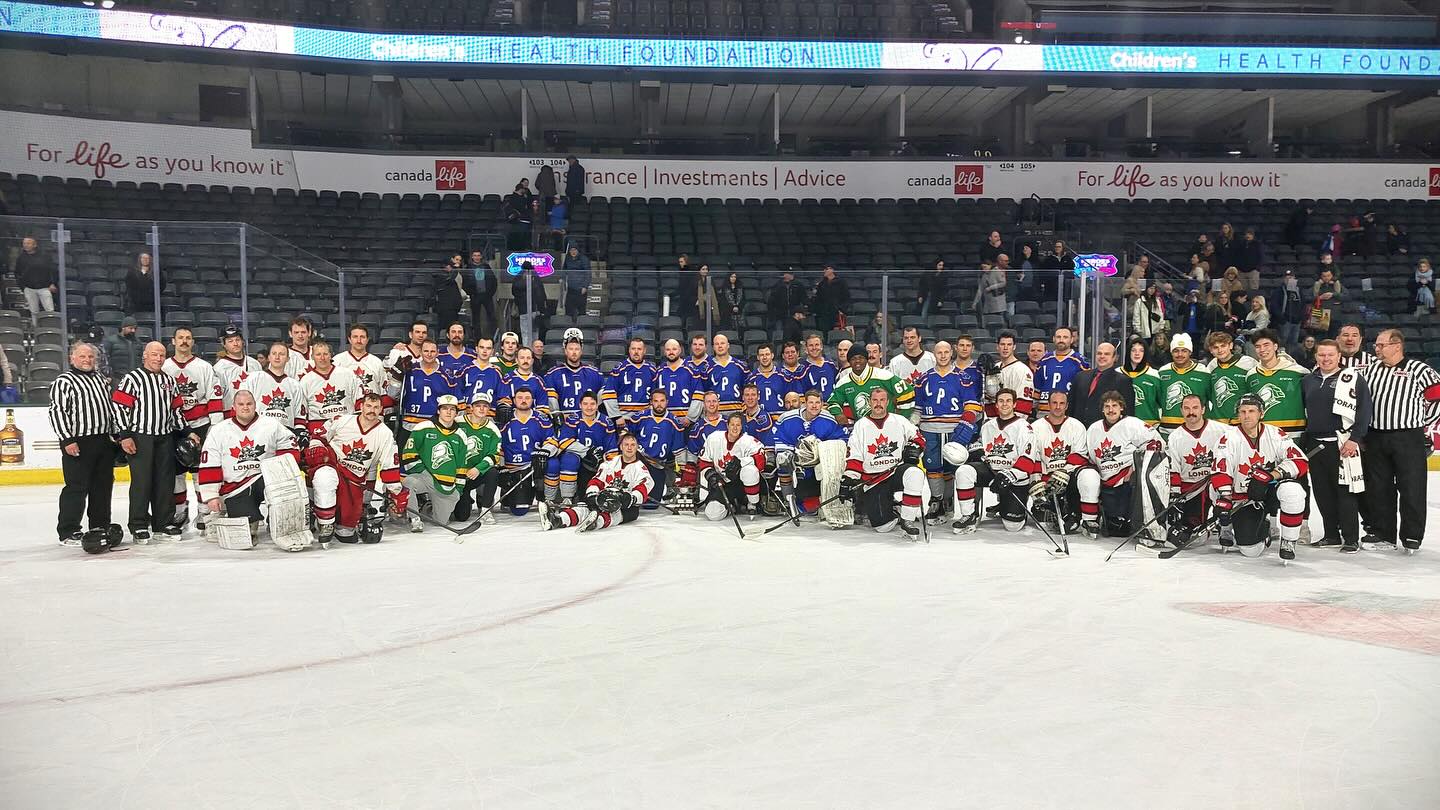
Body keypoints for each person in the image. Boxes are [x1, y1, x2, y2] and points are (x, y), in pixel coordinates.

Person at [1360, 328, 1440, 552]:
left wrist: (1422, 422)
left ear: (1397, 346)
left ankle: (1412, 536)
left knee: (1411, 488)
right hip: (1376, 436)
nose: (1376, 349)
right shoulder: (1370, 370)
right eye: (1376, 345)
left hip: (1408, 437)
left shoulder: (1419, 369)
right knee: (1379, 488)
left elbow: (1437, 397)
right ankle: (1383, 534)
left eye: (1381, 345)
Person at [1214, 395, 1310, 562]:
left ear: (1261, 413)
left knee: (1293, 491)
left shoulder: (1276, 434)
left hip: (1271, 491)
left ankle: (1288, 541)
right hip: (1245, 497)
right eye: (1242, 412)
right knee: (1250, 550)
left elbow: (1300, 462)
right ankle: (1259, 527)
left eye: (1251, 411)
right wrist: (1226, 499)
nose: (1246, 416)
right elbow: (1220, 471)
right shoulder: (1228, 438)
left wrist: (1271, 475)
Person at [198, 390, 300, 544]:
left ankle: (277, 521)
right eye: (241, 404)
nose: (245, 407)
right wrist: (211, 495)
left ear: (255, 405)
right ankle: (246, 519)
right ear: (233, 406)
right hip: (236, 488)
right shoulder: (219, 430)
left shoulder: (271, 425)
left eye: (249, 404)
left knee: (282, 492)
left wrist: (278, 470)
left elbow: (290, 448)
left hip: (264, 480)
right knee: (246, 528)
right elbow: (209, 462)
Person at [1301, 341, 1371, 553]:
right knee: (1322, 492)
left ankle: (1350, 537)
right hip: (1315, 445)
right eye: (1321, 355)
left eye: (1330, 355)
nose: (1326, 359)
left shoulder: (1352, 379)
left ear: (1339, 355)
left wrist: (1355, 438)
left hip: (1343, 443)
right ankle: (1331, 534)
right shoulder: (1307, 381)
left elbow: (1364, 410)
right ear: (1316, 356)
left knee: (1345, 492)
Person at [112, 341, 185, 543]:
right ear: (145, 356)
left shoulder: (169, 381)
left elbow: (176, 410)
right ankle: (139, 524)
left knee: (165, 481)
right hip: (139, 437)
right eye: (154, 354)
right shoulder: (132, 379)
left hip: (164, 436)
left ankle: (163, 523)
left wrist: (186, 433)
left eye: (162, 355)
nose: (158, 358)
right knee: (142, 482)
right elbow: (119, 407)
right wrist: (124, 435)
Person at [309, 392, 404, 543]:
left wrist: (396, 493)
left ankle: (341, 524)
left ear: (381, 410)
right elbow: (318, 436)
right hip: (334, 467)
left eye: (376, 407)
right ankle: (325, 523)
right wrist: (317, 447)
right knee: (324, 476)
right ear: (361, 406)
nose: (371, 410)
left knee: (346, 536)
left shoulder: (385, 434)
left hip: (356, 483)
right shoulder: (342, 420)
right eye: (368, 406)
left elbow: (389, 467)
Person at [50, 343, 119, 550]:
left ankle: (99, 526)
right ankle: (68, 530)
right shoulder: (64, 381)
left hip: (103, 441)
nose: (87, 360)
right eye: (82, 356)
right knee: (77, 487)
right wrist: (67, 439)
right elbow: (58, 412)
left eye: (90, 356)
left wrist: (115, 433)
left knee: (102, 486)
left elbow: (110, 409)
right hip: (78, 441)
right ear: (72, 358)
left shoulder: (99, 379)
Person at [839, 387, 927, 538]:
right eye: (875, 400)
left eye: (882, 400)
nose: (878, 404)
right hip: (874, 479)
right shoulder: (861, 426)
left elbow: (919, 439)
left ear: (887, 402)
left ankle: (908, 520)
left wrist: (914, 448)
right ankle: (895, 509)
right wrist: (848, 479)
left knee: (915, 473)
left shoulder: (899, 421)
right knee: (883, 527)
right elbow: (854, 456)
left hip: (896, 471)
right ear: (869, 402)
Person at [947, 388, 1037, 534]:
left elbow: (1028, 460)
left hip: (1013, 475)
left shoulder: (1024, 427)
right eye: (1001, 401)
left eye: (1008, 401)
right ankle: (968, 515)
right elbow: (979, 444)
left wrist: (1010, 475)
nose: (1004, 404)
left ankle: (1008, 507)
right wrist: (976, 450)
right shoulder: (988, 425)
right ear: (996, 405)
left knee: (1013, 526)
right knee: (964, 471)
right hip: (990, 470)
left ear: (1015, 404)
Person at [1076, 390, 1162, 538]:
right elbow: (1090, 458)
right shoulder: (1093, 429)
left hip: (1128, 480)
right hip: (1105, 482)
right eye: (1107, 406)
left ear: (1121, 407)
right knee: (1115, 529)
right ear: (1102, 409)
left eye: (1114, 405)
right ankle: (1090, 519)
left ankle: (1148, 525)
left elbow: (1157, 443)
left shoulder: (1132, 424)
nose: (1111, 409)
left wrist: (1137, 468)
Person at [163, 325, 223, 532]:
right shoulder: (164, 367)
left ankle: (203, 510)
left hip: (201, 425)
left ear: (193, 342)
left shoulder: (204, 367)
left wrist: (214, 427)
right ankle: (180, 510)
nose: (184, 341)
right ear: (173, 341)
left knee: (200, 471)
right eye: (180, 338)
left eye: (188, 338)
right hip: (173, 428)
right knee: (176, 474)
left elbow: (214, 397)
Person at [540, 432, 654, 533]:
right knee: (583, 507)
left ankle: (597, 522)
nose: (629, 448)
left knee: (626, 514)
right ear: (621, 446)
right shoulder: (610, 463)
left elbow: (643, 487)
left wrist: (630, 498)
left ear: (637, 447)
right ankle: (557, 520)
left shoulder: (640, 468)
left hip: (624, 505)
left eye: (633, 445)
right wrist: (592, 494)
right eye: (626, 445)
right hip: (603, 498)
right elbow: (597, 480)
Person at [1162, 394, 1231, 547]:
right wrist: (1175, 497)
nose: (1191, 412)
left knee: (1224, 496)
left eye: (1195, 408)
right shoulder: (1175, 437)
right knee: (1193, 538)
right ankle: (1204, 525)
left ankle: (1226, 526)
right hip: (1192, 489)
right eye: (1186, 408)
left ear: (1203, 409)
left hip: (1216, 483)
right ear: (1181, 411)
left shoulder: (1221, 430)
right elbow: (1174, 469)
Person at [398, 394, 471, 532]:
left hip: (447, 485)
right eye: (445, 408)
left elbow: (461, 466)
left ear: (456, 412)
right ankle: (415, 519)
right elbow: (408, 455)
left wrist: (459, 490)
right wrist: (426, 474)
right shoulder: (423, 427)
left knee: (441, 522)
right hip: (425, 479)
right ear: (438, 410)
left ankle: (427, 507)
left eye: (452, 409)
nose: (448, 412)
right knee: (408, 483)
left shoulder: (461, 435)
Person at [1026, 391, 1088, 533]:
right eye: (1054, 403)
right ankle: (1046, 506)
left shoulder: (1076, 426)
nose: (1058, 407)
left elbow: (1081, 454)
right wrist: (1035, 480)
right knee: (1043, 522)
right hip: (1045, 478)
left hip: (1069, 477)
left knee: (1082, 478)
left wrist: (1063, 471)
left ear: (1067, 406)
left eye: (1061, 403)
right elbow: (1032, 455)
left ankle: (1073, 512)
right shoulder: (1036, 427)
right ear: (1048, 405)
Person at [543, 391, 616, 505]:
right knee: (569, 459)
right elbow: (564, 441)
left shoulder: (606, 422)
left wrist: (610, 466)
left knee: (588, 500)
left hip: (596, 462)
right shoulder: (573, 418)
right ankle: (567, 497)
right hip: (579, 459)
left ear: (597, 405)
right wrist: (587, 452)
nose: (589, 407)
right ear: (580, 405)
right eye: (585, 404)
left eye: (592, 404)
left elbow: (611, 448)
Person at [699, 412, 766, 520]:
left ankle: (752, 504)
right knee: (712, 514)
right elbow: (704, 462)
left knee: (750, 470)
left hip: (742, 486)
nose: (735, 428)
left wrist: (741, 462)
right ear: (727, 425)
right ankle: (732, 506)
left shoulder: (749, 441)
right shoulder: (713, 438)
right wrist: (711, 475)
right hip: (724, 485)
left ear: (742, 426)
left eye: (738, 425)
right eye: (732, 425)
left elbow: (761, 462)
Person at [497, 388, 552, 516]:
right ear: (514, 400)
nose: (523, 401)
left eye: (527, 398)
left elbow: (552, 440)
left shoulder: (541, 418)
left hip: (535, 467)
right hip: (514, 469)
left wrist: (544, 452)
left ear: (532, 400)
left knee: (553, 464)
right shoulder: (505, 419)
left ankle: (541, 494)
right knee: (519, 510)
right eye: (520, 398)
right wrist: (501, 466)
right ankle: (508, 492)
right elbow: (498, 445)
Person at [829, 344, 912, 426]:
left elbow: (908, 392)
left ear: (866, 359)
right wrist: (838, 414)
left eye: (861, 358)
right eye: (853, 358)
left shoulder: (884, 376)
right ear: (849, 361)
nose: (857, 361)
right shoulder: (844, 382)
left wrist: (902, 418)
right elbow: (833, 402)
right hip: (863, 429)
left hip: (889, 426)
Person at [453, 391, 503, 524]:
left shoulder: (493, 429)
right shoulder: (457, 423)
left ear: (489, 408)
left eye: (485, 406)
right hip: (456, 475)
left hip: (475, 474)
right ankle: (464, 499)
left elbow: (494, 455)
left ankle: (486, 509)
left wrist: (478, 469)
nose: (481, 409)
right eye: (478, 405)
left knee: (492, 472)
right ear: (471, 407)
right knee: (461, 516)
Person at [1245, 330, 1307, 431]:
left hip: (1294, 431)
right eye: (1258, 346)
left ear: (1275, 346)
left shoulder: (1298, 371)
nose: (1262, 349)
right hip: (1262, 432)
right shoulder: (1251, 375)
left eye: (1266, 345)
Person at [398, 339, 451, 449]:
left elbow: (452, 403)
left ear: (437, 353)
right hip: (409, 425)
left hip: (434, 426)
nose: (429, 354)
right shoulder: (409, 369)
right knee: (405, 462)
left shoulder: (446, 375)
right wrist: (397, 375)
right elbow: (393, 395)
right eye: (426, 351)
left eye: (432, 351)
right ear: (420, 352)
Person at [1068, 342, 1133, 426]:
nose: (1102, 356)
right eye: (1099, 353)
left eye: (1106, 354)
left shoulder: (1123, 381)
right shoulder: (1080, 376)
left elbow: (1127, 412)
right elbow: (1071, 405)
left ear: (1114, 358)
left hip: (1106, 432)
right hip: (1078, 430)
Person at [243, 342, 304, 429]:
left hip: (286, 433)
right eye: (274, 353)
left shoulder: (295, 385)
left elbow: (299, 416)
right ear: (269, 357)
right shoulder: (254, 378)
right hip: (259, 430)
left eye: (281, 354)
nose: (277, 357)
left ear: (288, 359)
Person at [1032, 327, 1088, 416]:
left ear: (1072, 339)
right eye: (1058, 337)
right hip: (1044, 411)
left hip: (1068, 412)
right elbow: (1037, 387)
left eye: (1065, 337)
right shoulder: (1044, 360)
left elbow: (1085, 390)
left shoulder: (1080, 362)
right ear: (1054, 339)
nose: (1061, 340)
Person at [213, 324, 263, 417]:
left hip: (254, 414)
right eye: (230, 341)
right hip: (230, 415)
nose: (235, 344)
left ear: (242, 341)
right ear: (224, 344)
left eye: (237, 340)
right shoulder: (219, 368)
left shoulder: (255, 364)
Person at [334, 324, 389, 408]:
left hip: (372, 411)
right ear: (349, 339)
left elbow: (383, 391)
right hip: (347, 411)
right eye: (355, 337)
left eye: (362, 337)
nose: (359, 340)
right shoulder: (338, 361)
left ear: (367, 340)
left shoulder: (376, 362)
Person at [14, 235, 56, 326]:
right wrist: (23, 287)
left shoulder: (45, 256)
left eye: (28, 243)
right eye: (24, 243)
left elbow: (52, 270)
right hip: (29, 288)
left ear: (35, 245)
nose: (25, 245)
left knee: (50, 310)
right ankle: (36, 330)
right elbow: (17, 273)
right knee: (34, 311)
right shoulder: (21, 258)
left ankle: (52, 329)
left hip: (45, 288)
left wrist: (52, 283)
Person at [432, 255, 473, 337]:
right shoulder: (439, 276)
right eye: (450, 266)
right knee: (444, 329)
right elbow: (450, 279)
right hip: (444, 309)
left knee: (452, 329)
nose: (452, 268)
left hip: (453, 309)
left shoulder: (451, 278)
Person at [510, 260, 549, 344]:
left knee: (526, 333)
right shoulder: (535, 278)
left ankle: (527, 351)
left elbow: (514, 292)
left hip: (525, 310)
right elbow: (541, 294)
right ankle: (532, 352)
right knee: (534, 333)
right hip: (533, 310)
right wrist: (542, 310)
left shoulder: (518, 278)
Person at [766, 268, 808, 342]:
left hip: (794, 314)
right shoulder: (778, 285)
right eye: (786, 273)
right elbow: (771, 300)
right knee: (780, 333)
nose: (787, 275)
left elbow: (804, 298)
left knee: (795, 332)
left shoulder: (798, 285)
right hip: (780, 314)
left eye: (789, 274)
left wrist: (804, 308)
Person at [1269, 268, 1304, 349]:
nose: (1289, 280)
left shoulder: (1299, 290)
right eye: (1287, 278)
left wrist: (1301, 317)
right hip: (1285, 322)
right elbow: (1274, 306)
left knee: (1294, 343)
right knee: (1283, 342)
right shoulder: (1278, 291)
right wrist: (1282, 319)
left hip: (1296, 321)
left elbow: (1303, 304)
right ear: (1284, 279)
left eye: (1291, 278)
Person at [1306, 266, 1344, 339]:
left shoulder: (1338, 285)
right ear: (1321, 277)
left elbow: (1347, 296)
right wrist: (1319, 298)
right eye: (1324, 276)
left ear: (1332, 276)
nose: (1326, 278)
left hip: (1334, 316)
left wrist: (1334, 294)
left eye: (1328, 276)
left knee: (1333, 338)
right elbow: (1307, 298)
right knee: (1319, 338)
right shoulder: (1316, 285)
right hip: (1319, 314)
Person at [468, 249, 498, 340]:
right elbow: (465, 282)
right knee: (476, 318)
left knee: (491, 316)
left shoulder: (486, 266)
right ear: (472, 257)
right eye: (475, 255)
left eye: (478, 255)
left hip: (487, 296)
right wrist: (471, 293)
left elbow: (493, 280)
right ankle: (477, 338)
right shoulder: (468, 267)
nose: (477, 257)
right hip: (475, 296)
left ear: (481, 257)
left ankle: (493, 336)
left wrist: (490, 293)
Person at [125, 252, 164, 320]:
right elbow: (129, 285)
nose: (145, 260)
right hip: (136, 302)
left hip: (151, 302)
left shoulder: (156, 271)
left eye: (147, 258)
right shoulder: (132, 271)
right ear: (140, 259)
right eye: (143, 258)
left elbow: (162, 284)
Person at [811, 265, 850, 332]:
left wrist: (842, 309)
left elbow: (846, 297)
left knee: (837, 332)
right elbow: (818, 299)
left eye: (826, 269)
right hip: (824, 313)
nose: (824, 271)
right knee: (824, 331)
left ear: (832, 270)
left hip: (836, 312)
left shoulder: (841, 282)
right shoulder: (822, 284)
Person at [976, 256, 1008, 329]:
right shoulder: (984, 276)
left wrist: (991, 288)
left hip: (998, 301)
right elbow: (980, 289)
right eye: (982, 268)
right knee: (990, 321)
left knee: (1000, 320)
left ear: (990, 265)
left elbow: (1003, 283)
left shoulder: (997, 271)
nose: (984, 269)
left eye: (985, 267)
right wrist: (975, 303)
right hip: (989, 302)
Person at [562, 244, 591, 318]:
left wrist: (585, 286)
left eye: (575, 250)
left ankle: (581, 326)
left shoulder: (584, 259)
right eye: (571, 250)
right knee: (568, 309)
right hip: (570, 289)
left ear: (578, 250)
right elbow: (564, 271)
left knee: (581, 310)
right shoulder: (567, 259)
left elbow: (588, 273)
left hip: (580, 289)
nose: (573, 252)